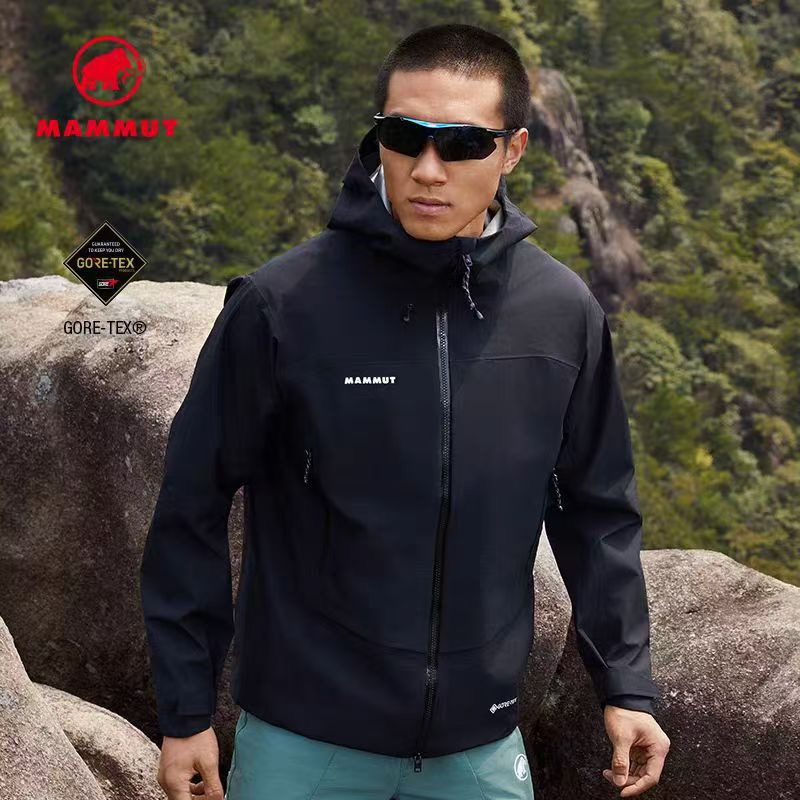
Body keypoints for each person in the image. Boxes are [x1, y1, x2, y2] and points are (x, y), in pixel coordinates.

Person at [139, 22, 671, 800]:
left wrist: (626, 686)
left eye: (462, 144)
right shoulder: (281, 306)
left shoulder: (562, 315)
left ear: (513, 150)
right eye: (402, 137)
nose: (427, 169)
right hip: (303, 743)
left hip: (479, 749)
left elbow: (597, 512)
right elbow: (191, 505)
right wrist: (185, 713)